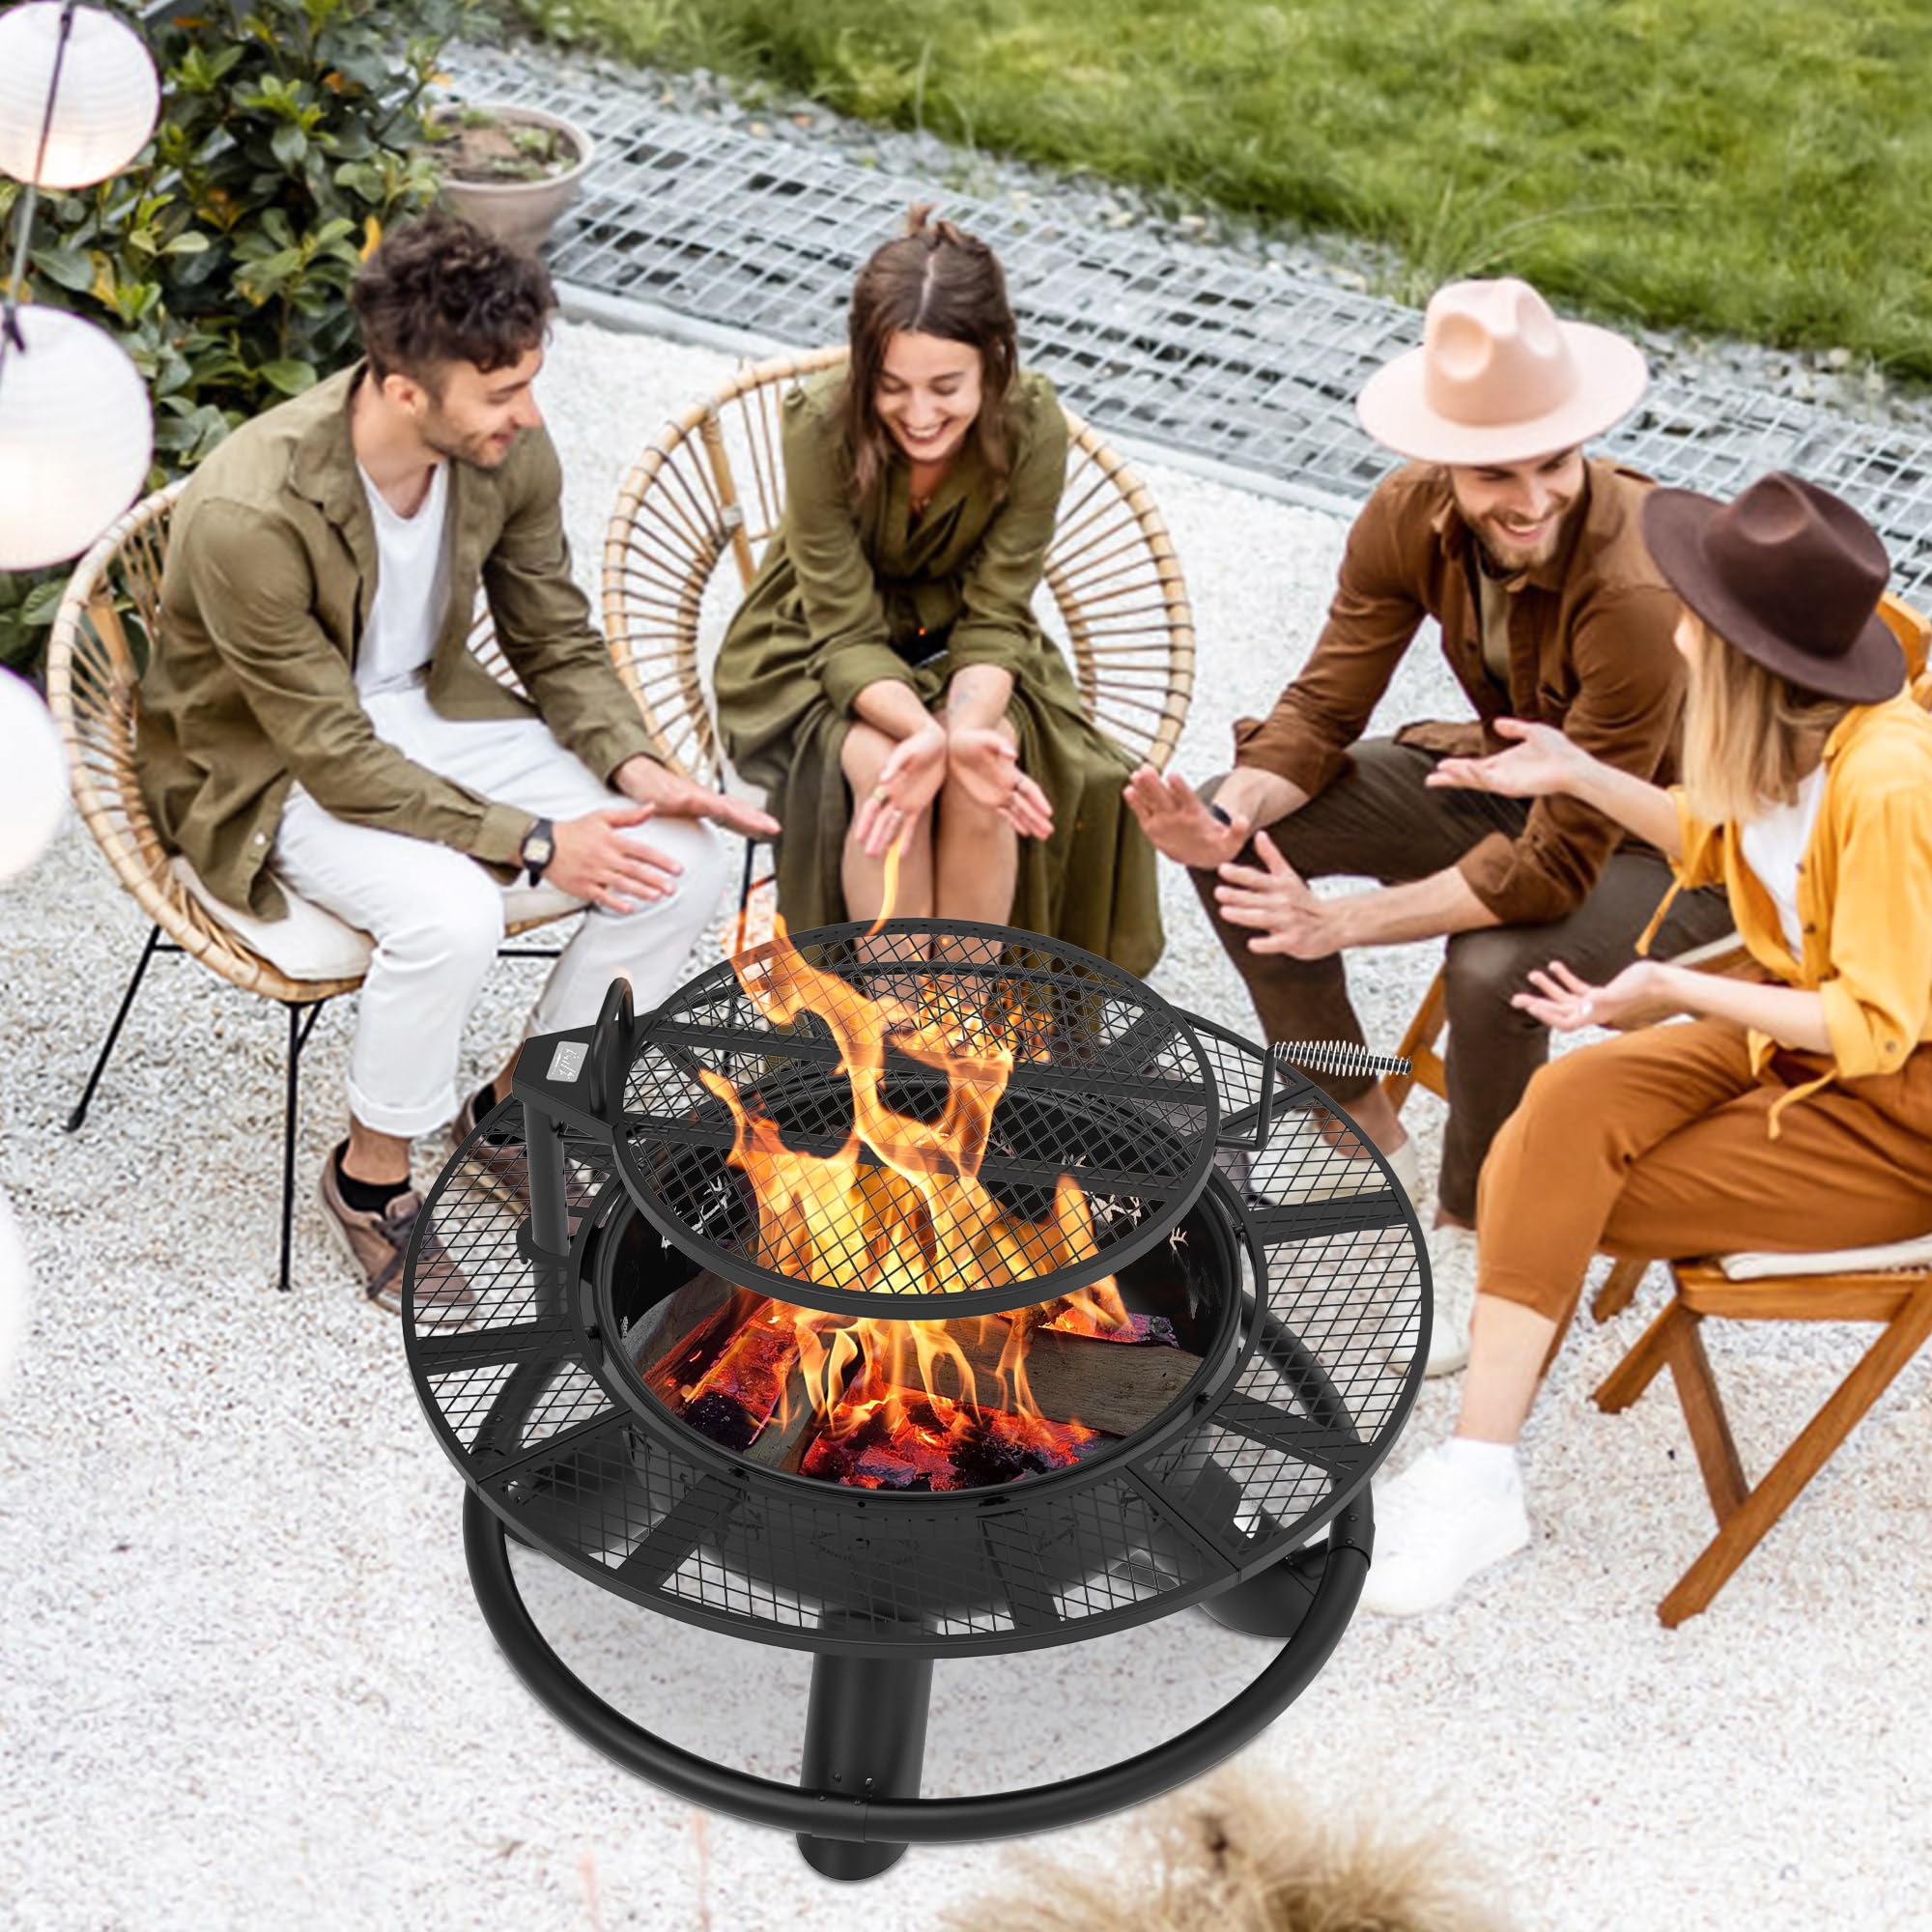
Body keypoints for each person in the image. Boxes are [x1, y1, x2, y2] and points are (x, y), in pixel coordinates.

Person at [141, 215, 774, 1318]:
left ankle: (522, 1109)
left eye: (528, 381)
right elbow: (332, 754)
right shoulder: (253, 508)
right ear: (399, 388)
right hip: (270, 765)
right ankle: (369, 1178)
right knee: (449, 914)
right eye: (499, 390)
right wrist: (532, 841)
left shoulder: (503, 453)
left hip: (431, 710)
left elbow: (554, 638)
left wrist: (633, 767)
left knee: (678, 856)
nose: (526, 413)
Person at [1122, 276, 1732, 1373]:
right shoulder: (1408, 516)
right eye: (1498, 470)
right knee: (1245, 843)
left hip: (1681, 852)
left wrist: (1341, 928)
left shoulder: (1632, 586)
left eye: (1556, 460)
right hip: (1515, 776)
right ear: (1447, 463)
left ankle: (1476, 1231)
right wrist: (1223, 817)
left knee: (1494, 962)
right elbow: (1317, 710)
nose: (1533, 495)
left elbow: (1553, 864)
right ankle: (1349, 1118)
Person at [1360, 471, 1932, 1615]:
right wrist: (1577, 772)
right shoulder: (1772, 730)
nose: (1670, 618)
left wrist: (1670, 984)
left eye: (1691, 609)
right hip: (1790, 1023)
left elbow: (1873, 1024)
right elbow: (1728, 847)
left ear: (1740, 650)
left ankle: (1479, 1458)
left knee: (1577, 1195)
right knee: (1555, 1120)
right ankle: (1480, 1476)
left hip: (1896, 1106)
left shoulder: (1888, 784)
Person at [713, 207, 1161, 974]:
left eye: (946, 387)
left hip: (962, 640)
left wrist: (960, 732)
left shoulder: (1032, 424)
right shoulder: (820, 421)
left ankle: (959, 1026)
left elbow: (998, 614)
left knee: (985, 768)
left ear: (994, 358)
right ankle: (893, 1017)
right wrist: (918, 734)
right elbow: (843, 631)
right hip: (813, 641)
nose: (919, 416)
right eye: (892, 387)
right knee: (884, 771)